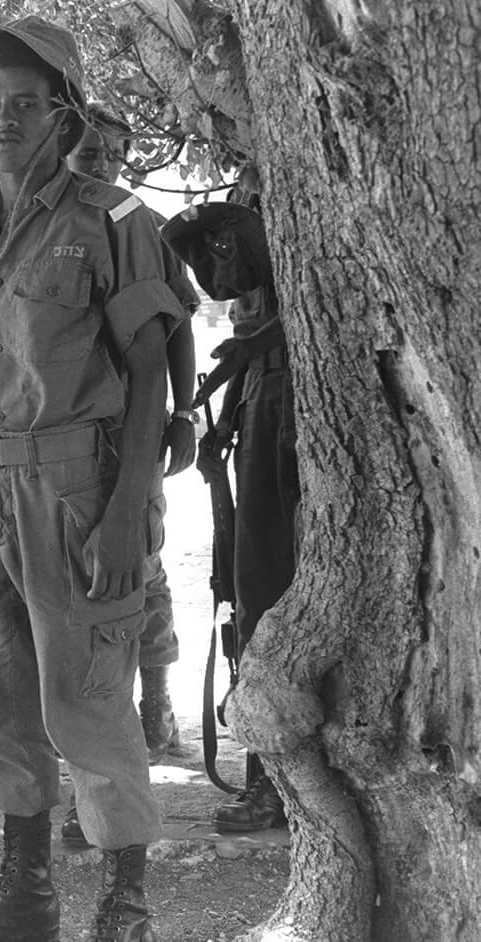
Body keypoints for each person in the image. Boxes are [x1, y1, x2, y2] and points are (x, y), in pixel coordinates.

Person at [0, 18, 184, 942]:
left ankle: (125, 901)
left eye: (26, 103)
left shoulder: (114, 219)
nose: (6, 120)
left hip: (73, 488)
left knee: (90, 698)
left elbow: (149, 368)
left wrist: (126, 510)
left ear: (61, 115)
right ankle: (27, 892)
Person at [59, 106, 201, 844]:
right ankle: (93, 774)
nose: (103, 159)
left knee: (138, 577)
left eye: (116, 150)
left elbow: (173, 326)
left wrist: (184, 414)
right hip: (61, 445)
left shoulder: (134, 220)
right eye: (93, 147)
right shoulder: (40, 215)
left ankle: (155, 711)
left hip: (128, 436)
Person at [162, 190, 294, 835]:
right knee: (251, 600)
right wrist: (220, 427)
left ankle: (279, 784)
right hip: (258, 418)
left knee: (277, 600)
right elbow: (245, 334)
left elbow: (318, 311)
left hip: (294, 423)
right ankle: (266, 780)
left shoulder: (301, 224)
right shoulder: (256, 237)